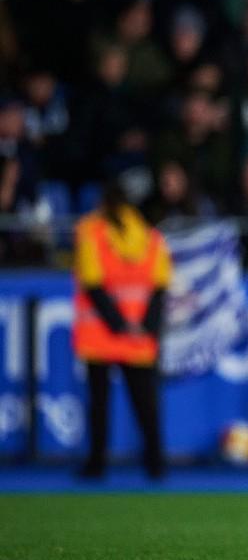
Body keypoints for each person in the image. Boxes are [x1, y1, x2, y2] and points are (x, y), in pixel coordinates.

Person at [72, 180, 173, 480]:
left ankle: (96, 464)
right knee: (145, 402)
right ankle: (155, 464)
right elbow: (160, 285)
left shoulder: (91, 231)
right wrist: (145, 326)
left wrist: (118, 324)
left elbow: (92, 282)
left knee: (99, 403)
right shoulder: (150, 236)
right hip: (139, 332)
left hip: (101, 332)